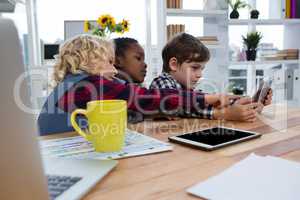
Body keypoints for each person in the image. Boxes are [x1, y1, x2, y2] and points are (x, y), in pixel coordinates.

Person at [38, 34, 244, 136]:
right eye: (109, 62)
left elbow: (135, 108)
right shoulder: (89, 84)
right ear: (88, 60)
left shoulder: (72, 84)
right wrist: (207, 98)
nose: (114, 69)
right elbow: (145, 99)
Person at [150, 33, 271, 120]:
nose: (200, 74)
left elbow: (203, 102)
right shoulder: (161, 83)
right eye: (194, 67)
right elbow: (180, 106)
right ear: (174, 64)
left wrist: (249, 103)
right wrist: (225, 113)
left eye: (202, 69)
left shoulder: (186, 88)